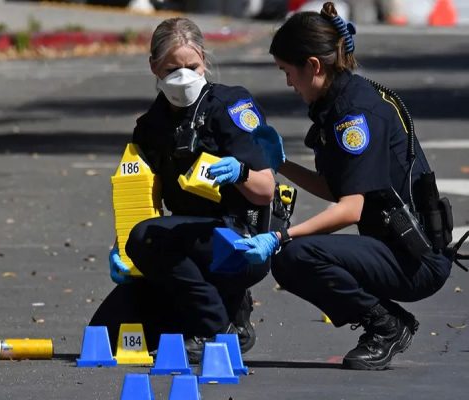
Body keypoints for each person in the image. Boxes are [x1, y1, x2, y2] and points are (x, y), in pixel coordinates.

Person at [236, 2, 454, 370]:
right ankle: (386, 322)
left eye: (288, 72)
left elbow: (350, 210)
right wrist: (280, 164)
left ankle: (387, 326)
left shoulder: (355, 115)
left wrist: (281, 237)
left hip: (415, 258)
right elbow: (340, 190)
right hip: (393, 247)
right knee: (293, 256)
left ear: (314, 66)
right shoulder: (339, 102)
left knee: (293, 257)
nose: (288, 83)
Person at [89, 17, 276, 362]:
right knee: (109, 331)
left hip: (237, 239)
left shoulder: (229, 106)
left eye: (192, 66)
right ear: (154, 67)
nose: (184, 76)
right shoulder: (151, 126)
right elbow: (143, 199)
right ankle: (215, 310)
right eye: (173, 68)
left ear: (204, 60)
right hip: (181, 245)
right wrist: (121, 247)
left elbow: (266, 190)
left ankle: (216, 327)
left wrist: (239, 172)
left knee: (148, 237)